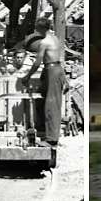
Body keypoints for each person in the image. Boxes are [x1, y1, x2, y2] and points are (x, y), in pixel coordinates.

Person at [19, 17, 64, 145]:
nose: (36, 30)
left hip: (52, 70)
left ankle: (52, 139)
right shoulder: (55, 38)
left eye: (37, 28)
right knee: (43, 100)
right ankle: (44, 131)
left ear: (41, 28)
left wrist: (28, 76)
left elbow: (37, 62)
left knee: (51, 105)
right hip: (53, 68)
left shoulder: (45, 42)